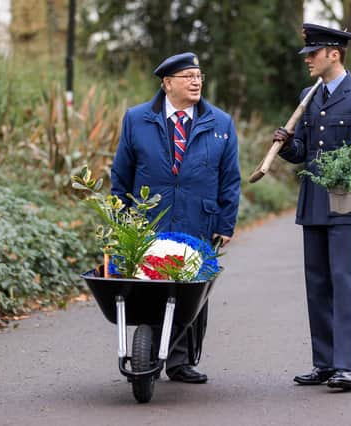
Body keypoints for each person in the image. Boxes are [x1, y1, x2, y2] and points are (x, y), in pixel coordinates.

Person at [272, 23, 351, 391]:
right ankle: (323, 364)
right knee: (317, 283)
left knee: (342, 280)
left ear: (333, 54)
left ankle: (345, 367)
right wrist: (287, 144)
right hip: (312, 201)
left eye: (313, 54)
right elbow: (305, 152)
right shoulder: (309, 96)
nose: (308, 60)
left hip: (344, 199)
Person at [111, 52, 241, 384]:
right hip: (150, 219)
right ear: (167, 84)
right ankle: (146, 356)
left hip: (199, 219)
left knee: (189, 292)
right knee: (149, 286)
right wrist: (120, 218)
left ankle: (181, 362)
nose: (196, 81)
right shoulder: (137, 119)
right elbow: (121, 174)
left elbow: (230, 178)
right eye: (187, 76)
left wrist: (225, 223)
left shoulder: (220, 123)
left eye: (199, 75)